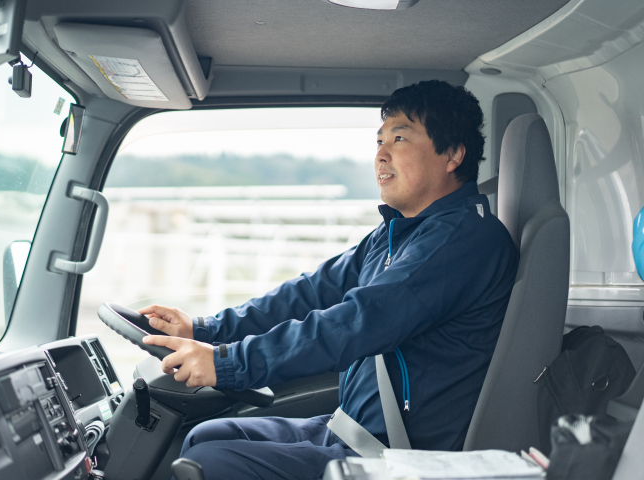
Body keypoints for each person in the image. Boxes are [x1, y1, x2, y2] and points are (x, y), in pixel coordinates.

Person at [140, 80, 519, 480]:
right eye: (379, 141)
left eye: (400, 138)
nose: (381, 154)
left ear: (453, 154)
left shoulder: (462, 240)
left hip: (397, 457)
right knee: (205, 436)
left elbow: (357, 321)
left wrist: (230, 363)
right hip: (350, 431)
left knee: (210, 462)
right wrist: (207, 330)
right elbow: (309, 293)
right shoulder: (399, 233)